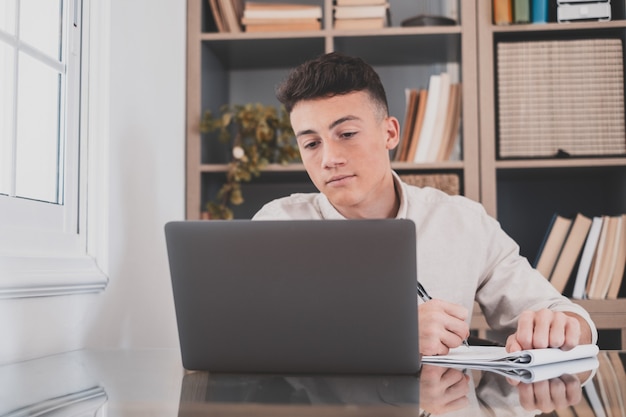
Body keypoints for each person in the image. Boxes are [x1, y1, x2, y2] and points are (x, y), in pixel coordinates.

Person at [252, 52, 596, 355]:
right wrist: (389, 333)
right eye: (311, 144)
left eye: (347, 134)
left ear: (390, 133)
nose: (329, 158)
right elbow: (249, 335)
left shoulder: (462, 222)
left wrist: (566, 327)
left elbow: (559, 312)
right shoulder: (278, 224)